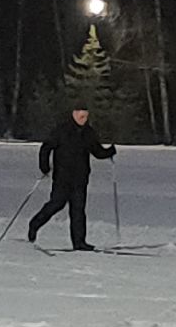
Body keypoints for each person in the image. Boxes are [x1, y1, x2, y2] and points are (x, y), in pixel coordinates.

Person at [26, 107, 117, 250]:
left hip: (80, 177)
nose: (84, 119)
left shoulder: (88, 132)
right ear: (74, 114)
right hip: (62, 177)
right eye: (81, 116)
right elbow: (46, 147)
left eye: (86, 116)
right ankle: (35, 224)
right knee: (57, 204)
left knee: (78, 209)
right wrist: (44, 166)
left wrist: (109, 152)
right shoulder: (62, 130)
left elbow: (97, 151)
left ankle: (79, 242)